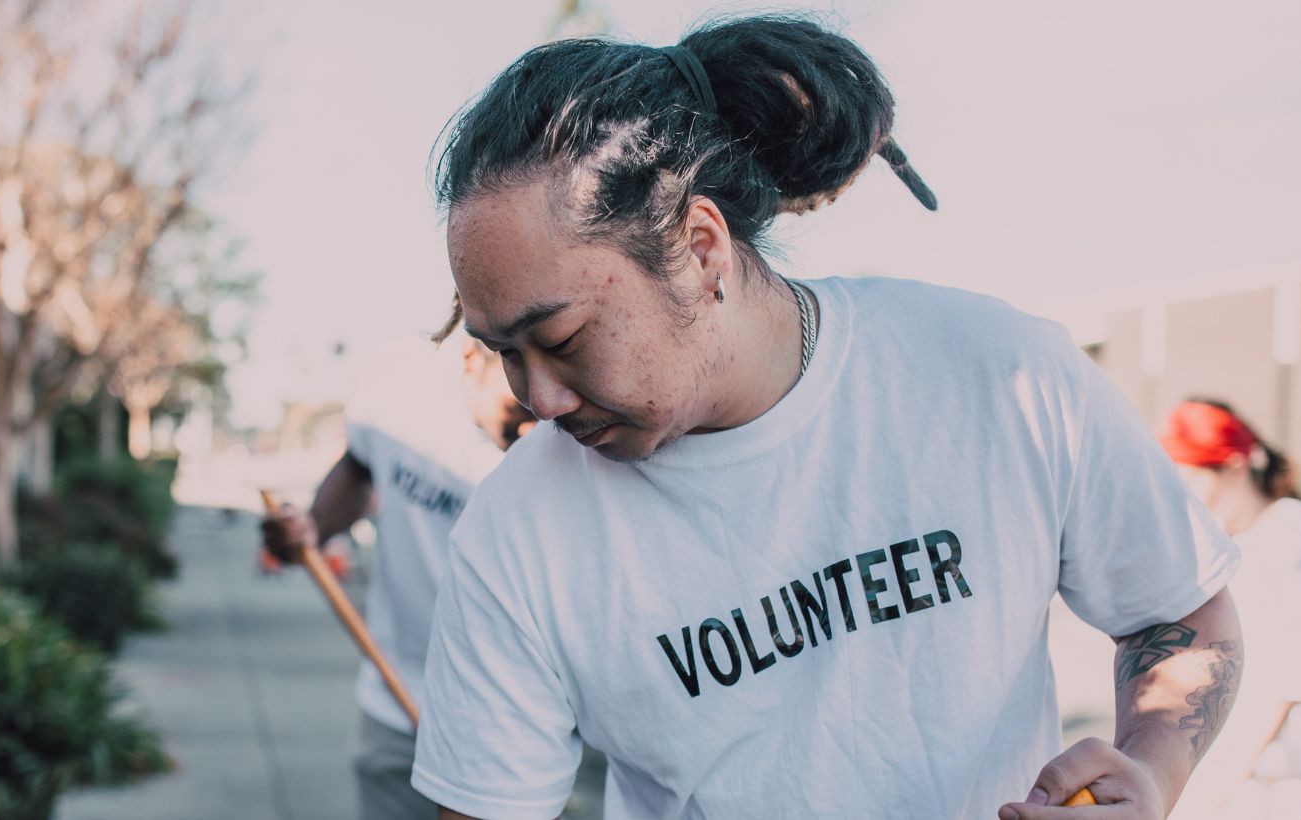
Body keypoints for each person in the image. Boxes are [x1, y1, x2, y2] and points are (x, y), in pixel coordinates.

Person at [410, 14, 1247, 820]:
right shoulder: (517, 532)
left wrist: (1150, 770)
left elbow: (1178, 612)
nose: (539, 398)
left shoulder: (1001, 375)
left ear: (700, 248)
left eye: (562, 338)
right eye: (501, 353)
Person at [260, 325, 533, 820]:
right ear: (474, 357)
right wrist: (314, 526)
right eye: (518, 400)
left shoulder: (563, 420)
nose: (543, 408)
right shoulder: (398, 382)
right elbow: (360, 470)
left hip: (517, 728)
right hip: (396, 704)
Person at [1158, 400, 1301, 820]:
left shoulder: (1294, 535)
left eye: (1191, 482)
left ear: (1233, 466)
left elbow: (1285, 680)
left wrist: (1217, 785)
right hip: (1262, 762)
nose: (1185, 503)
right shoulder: (1244, 538)